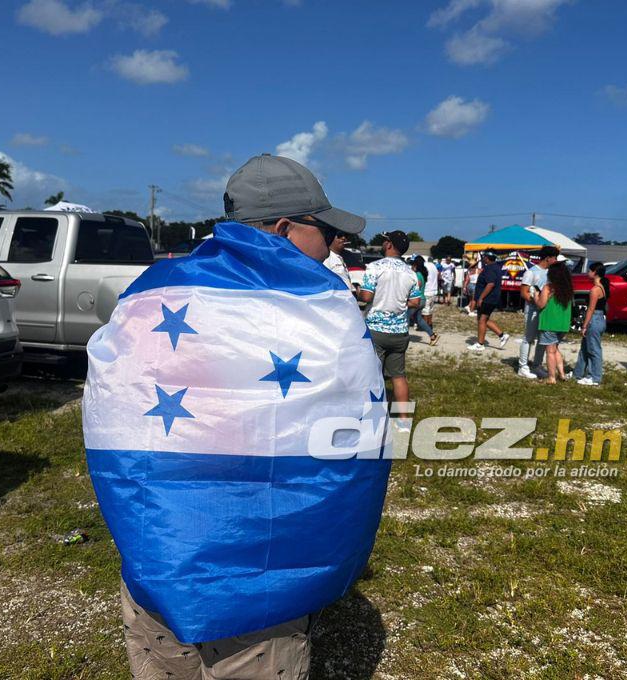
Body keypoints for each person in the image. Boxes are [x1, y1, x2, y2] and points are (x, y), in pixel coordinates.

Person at [85, 153, 388, 680]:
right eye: (326, 229)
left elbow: (113, 397)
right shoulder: (319, 304)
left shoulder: (157, 288)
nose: (334, 244)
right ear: (285, 228)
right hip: (261, 583)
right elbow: (354, 430)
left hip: (158, 556)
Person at [359, 230, 422, 430]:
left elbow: (366, 297)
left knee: (371, 375)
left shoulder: (374, 267)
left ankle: (371, 419)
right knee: (399, 376)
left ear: (388, 245)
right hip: (400, 331)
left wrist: (357, 290)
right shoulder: (410, 273)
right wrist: (399, 303)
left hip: (376, 329)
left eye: (385, 240)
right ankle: (403, 420)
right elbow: (415, 301)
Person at [517, 246, 559, 379]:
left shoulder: (551, 273)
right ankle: (522, 366)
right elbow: (523, 293)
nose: (556, 260)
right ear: (548, 258)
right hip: (533, 311)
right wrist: (536, 300)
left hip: (546, 311)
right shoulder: (531, 272)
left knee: (543, 340)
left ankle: (537, 365)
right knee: (528, 338)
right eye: (554, 257)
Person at [536, 261, 573, 384]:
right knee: (555, 349)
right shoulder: (568, 288)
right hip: (562, 324)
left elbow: (541, 304)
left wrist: (535, 295)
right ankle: (562, 374)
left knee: (550, 351)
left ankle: (552, 377)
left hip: (549, 322)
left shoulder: (548, 287)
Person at [573, 261, 609, 386]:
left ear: (595, 273)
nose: (588, 273)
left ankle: (594, 377)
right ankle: (577, 373)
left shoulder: (595, 289)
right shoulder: (602, 287)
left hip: (595, 319)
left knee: (594, 350)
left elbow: (591, 309)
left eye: (590, 271)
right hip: (599, 319)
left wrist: (584, 325)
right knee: (584, 348)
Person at [467, 251, 510, 351]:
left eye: (484, 257)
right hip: (491, 298)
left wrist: (481, 298)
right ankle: (502, 335)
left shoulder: (489, 268)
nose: (483, 258)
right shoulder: (495, 267)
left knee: (482, 320)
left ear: (487, 258)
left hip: (488, 299)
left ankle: (480, 344)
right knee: (483, 319)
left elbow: (490, 284)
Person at [409, 256, 439, 345]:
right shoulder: (422, 274)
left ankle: (401, 338)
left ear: (415, 265)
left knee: (405, 318)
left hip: (416, 300)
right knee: (419, 320)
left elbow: (416, 287)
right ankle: (432, 335)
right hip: (422, 299)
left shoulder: (417, 275)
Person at [423, 257, 440, 326]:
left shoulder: (426, 266)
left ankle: (425, 325)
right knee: (430, 309)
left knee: (425, 310)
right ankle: (430, 323)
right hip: (434, 290)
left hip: (427, 290)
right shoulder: (435, 267)